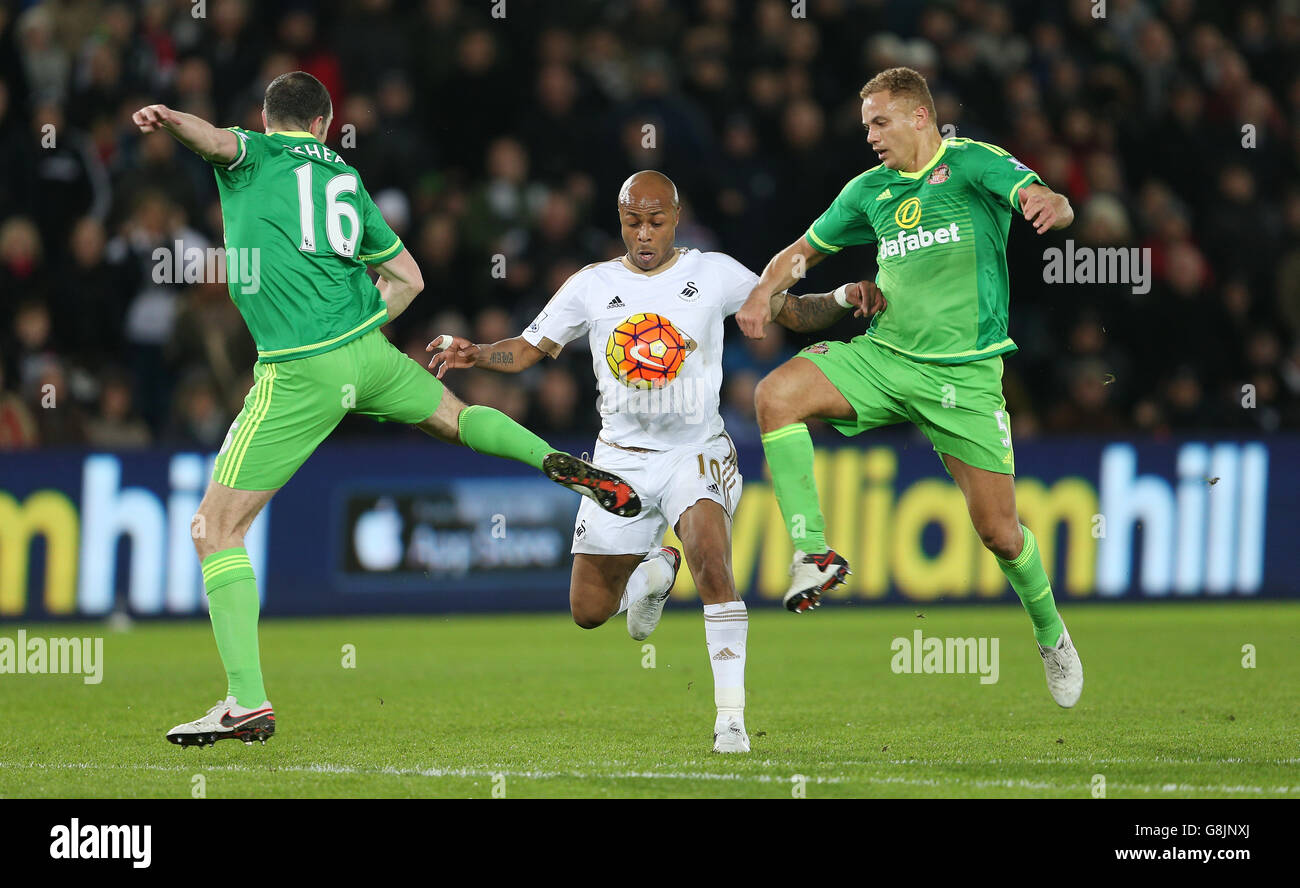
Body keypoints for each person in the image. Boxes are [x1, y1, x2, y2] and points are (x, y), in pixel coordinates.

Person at [132, 71, 641, 748]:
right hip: (367, 354)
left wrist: (170, 117)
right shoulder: (344, 175)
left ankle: (246, 701)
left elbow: (215, 142)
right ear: (324, 122)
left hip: (300, 367)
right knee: (458, 418)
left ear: (269, 117)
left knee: (213, 528)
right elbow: (410, 278)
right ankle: (555, 459)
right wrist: (358, 327)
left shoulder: (260, 153)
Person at [429, 170, 869, 750]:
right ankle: (656, 567)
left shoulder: (713, 273)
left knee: (713, 564)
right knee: (589, 611)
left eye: (655, 222)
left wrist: (842, 297)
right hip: (619, 463)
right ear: (620, 221)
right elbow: (530, 348)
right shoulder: (591, 284)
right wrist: (477, 353)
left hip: (697, 450)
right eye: (633, 222)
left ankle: (731, 722)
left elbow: (793, 312)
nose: (643, 233)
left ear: (675, 219)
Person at [736, 67, 1084, 708]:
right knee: (774, 395)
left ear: (919, 116)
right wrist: (765, 290)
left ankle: (1051, 633)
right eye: (865, 124)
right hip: (886, 357)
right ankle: (813, 554)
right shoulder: (869, 191)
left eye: (880, 122)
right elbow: (801, 254)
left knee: (1000, 533)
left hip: (966, 375)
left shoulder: (975, 165)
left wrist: (1054, 206)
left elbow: (1046, 197)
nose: (870, 135)